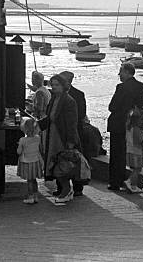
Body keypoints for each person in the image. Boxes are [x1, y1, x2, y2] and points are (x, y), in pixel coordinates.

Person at [39, 74, 79, 203]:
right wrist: (38, 125)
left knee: (62, 164)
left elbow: (72, 123)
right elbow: (50, 117)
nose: (54, 87)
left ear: (63, 86)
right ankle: (63, 190)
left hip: (62, 136)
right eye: (53, 85)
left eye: (57, 85)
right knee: (55, 163)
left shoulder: (68, 101)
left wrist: (71, 141)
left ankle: (66, 191)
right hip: (53, 134)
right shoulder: (54, 98)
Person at [107, 63, 143, 191]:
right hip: (132, 123)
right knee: (130, 151)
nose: (119, 75)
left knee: (116, 154)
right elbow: (139, 106)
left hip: (118, 123)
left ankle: (115, 182)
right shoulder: (141, 87)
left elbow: (112, 106)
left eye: (121, 72)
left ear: (128, 72)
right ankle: (129, 180)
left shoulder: (121, 88)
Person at [58, 71, 86, 196]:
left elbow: (81, 114)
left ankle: (77, 187)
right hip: (60, 132)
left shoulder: (79, 95)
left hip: (75, 131)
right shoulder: (56, 94)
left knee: (75, 159)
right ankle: (62, 187)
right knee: (60, 159)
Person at [16, 117, 44, 205]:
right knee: (34, 180)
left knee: (29, 181)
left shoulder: (22, 140)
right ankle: (36, 196)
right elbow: (41, 149)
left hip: (27, 162)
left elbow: (19, 152)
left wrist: (19, 146)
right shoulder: (38, 138)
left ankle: (30, 196)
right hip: (36, 162)